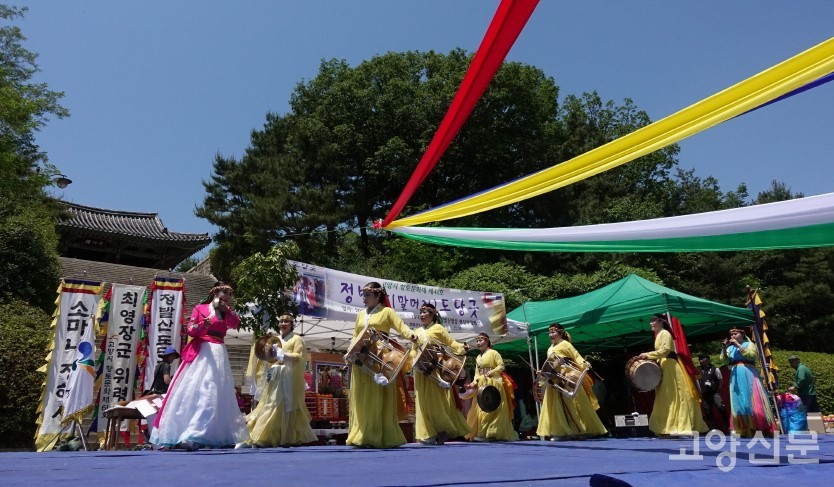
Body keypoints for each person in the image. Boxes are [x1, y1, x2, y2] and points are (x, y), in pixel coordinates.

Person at [151, 281, 249, 450]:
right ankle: (191, 432)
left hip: (218, 351)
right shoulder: (200, 308)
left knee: (217, 391)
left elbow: (235, 324)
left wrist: (227, 311)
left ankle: (208, 433)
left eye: (229, 294)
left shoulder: (227, 312)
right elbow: (190, 329)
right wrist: (204, 324)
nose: (227, 296)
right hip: (203, 350)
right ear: (215, 293)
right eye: (224, 293)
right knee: (200, 389)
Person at [346, 282, 417, 448]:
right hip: (361, 356)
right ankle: (361, 433)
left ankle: (375, 435)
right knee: (361, 396)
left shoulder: (387, 312)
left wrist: (411, 335)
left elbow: (401, 326)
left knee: (376, 396)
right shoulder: (360, 314)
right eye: (363, 295)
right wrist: (350, 351)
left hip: (379, 357)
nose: (364, 298)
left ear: (378, 296)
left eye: (367, 295)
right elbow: (355, 336)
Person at [241, 314, 317, 448]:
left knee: (280, 405)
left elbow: (299, 357)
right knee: (269, 404)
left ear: (291, 324)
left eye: (286, 321)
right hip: (275, 376)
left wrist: (282, 354)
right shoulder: (275, 340)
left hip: (288, 378)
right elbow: (270, 359)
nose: (283, 324)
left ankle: (269, 438)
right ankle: (262, 436)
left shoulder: (297, 339)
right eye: (281, 321)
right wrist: (268, 353)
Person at [410, 303, 471, 445]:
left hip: (434, 368)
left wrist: (462, 348)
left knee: (434, 400)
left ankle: (442, 428)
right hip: (420, 370)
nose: (422, 315)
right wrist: (411, 359)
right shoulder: (417, 331)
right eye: (421, 312)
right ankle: (427, 434)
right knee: (421, 402)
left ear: (432, 314)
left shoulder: (438, 328)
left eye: (425, 312)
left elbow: (451, 343)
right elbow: (413, 350)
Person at [638, 314, 708, 437]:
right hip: (664, 365)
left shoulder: (665, 333)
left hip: (670, 366)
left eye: (653, 321)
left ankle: (678, 425)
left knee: (674, 395)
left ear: (661, 322)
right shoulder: (659, 334)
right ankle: (669, 426)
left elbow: (665, 350)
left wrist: (647, 355)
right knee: (667, 396)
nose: (650, 324)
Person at [536, 324, 607, 440]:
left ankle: (580, 430)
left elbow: (576, 356)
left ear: (560, 333)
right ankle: (563, 432)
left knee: (574, 405)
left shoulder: (565, 344)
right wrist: (543, 371)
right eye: (549, 333)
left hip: (568, 379)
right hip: (554, 379)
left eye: (553, 332)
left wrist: (584, 363)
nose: (550, 335)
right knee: (557, 406)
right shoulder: (550, 348)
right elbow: (550, 364)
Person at [720, 328, 776, 437]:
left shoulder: (749, 344)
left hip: (748, 371)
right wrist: (724, 348)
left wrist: (738, 345)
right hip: (735, 373)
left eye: (735, 334)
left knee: (751, 397)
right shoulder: (730, 348)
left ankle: (758, 425)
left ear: (742, 334)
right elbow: (725, 361)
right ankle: (744, 428)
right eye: (732, 334)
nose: (733, 336)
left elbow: (751, 355)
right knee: (738, 400)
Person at [464, 332, 518, 442]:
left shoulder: (494, 353)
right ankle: (483, 433)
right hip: (482, 385)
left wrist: (492, 372)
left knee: (494, 409)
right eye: (477, 341)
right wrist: (473, 383)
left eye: (481, 340)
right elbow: (477, 373)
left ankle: (491, 433)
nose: (478, 343)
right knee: (482, 409)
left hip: (494, 383)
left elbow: (501, 366)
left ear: (487, 341)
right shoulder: (478, 357)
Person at [697, 354, 727, 431]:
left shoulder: (715, 369)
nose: (703, 361)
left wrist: (717, 389)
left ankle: (727, 426)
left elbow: (720, 379)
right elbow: (697, 380)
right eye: (702, 360)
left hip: (714, 392)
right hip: (704, 393)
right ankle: (712, 427)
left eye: (706, 360)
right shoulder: (698, 370)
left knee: (721, 407)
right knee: (707, 410)